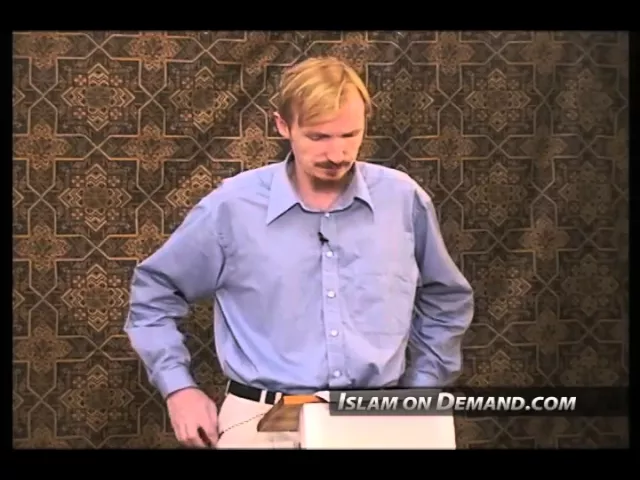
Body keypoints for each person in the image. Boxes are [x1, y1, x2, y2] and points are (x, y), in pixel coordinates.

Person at [124, 56, 474, 449]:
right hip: (261, 424)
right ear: (282, 126)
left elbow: (446, 298)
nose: (337, 154)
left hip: (376, 422)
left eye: (350, 135)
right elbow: (154, 292)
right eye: (318, 137)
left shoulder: (403, 199)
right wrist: (179, 388)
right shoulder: (232, 207)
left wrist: (421, 390)